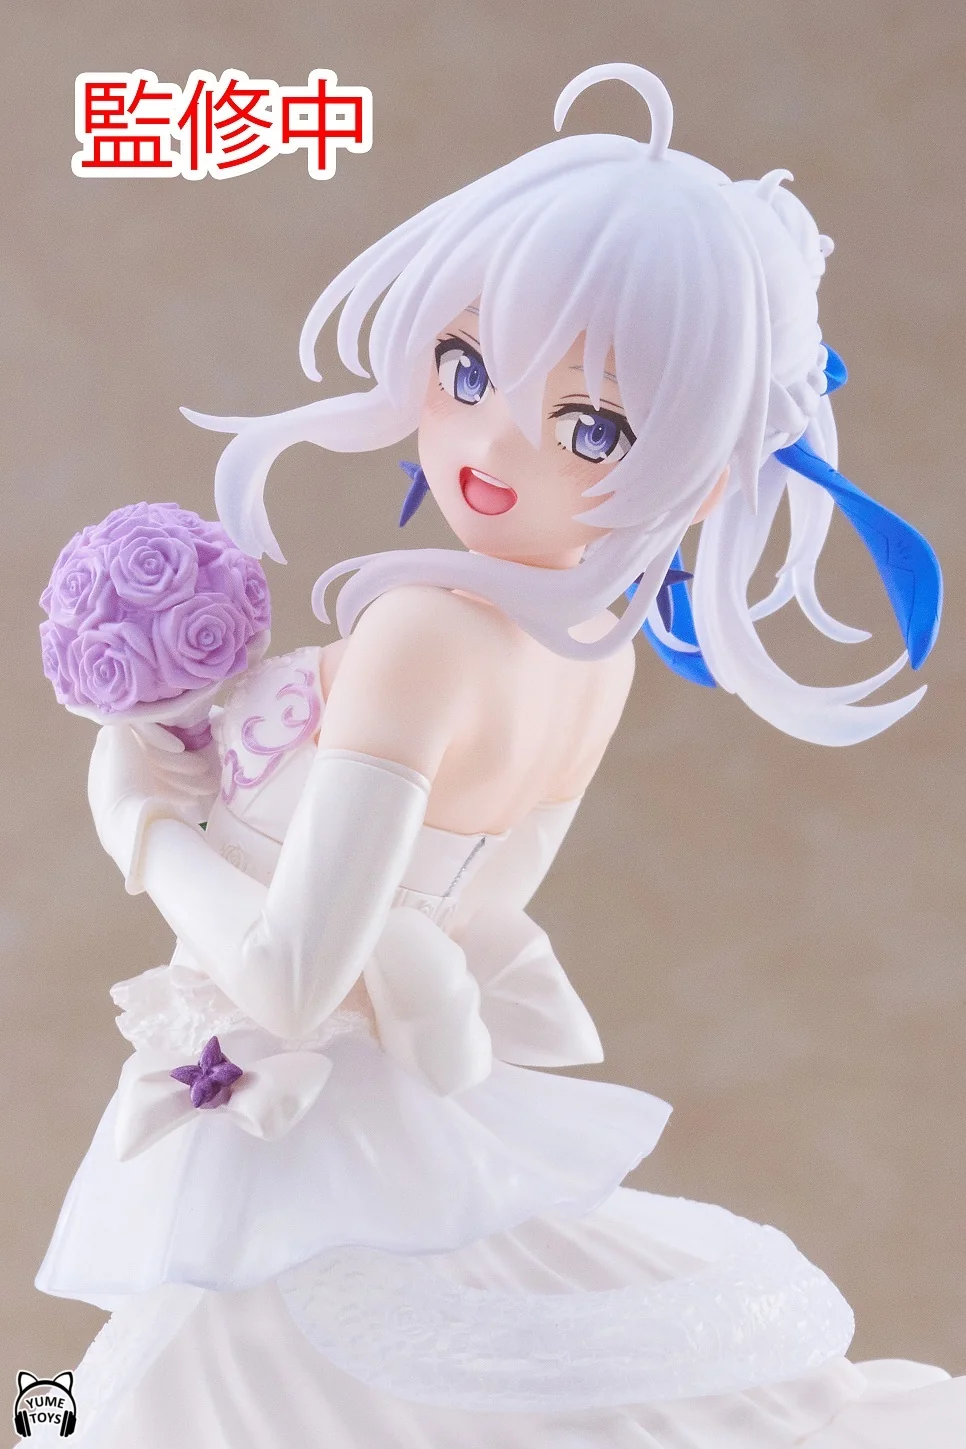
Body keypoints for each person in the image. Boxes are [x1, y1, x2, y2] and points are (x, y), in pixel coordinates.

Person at [33, 63, 959, 1448]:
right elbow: (474, 919)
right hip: (375, 1129)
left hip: (312, 1142)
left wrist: (147, 825)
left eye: (590, 426)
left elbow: (292, 982)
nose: (492, 442)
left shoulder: (423, 636)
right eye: (467, 370)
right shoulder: (593, 650)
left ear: (702, 472)